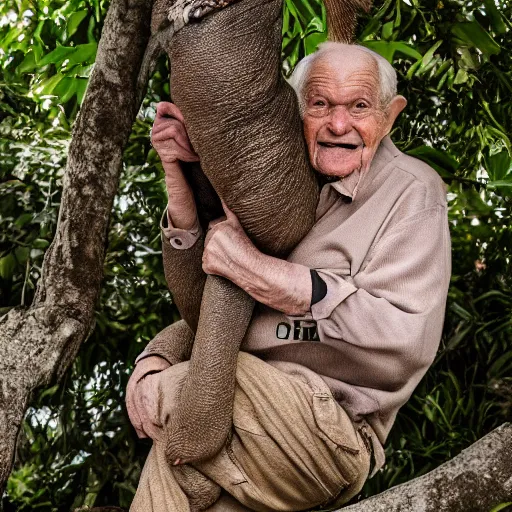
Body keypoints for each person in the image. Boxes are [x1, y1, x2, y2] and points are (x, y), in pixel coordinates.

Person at [126, 42, 451, 511]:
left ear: (389, 115)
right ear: (295, 112)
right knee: (174, 475)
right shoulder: (286, 181)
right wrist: (181, 185)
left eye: (359, 107)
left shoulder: (412, 190)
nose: (339, 125)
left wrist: (269, 276)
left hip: (326, 432)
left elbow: (407, 339)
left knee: (191, 388)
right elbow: (208, 305)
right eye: (319, 105)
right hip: (244, 435)